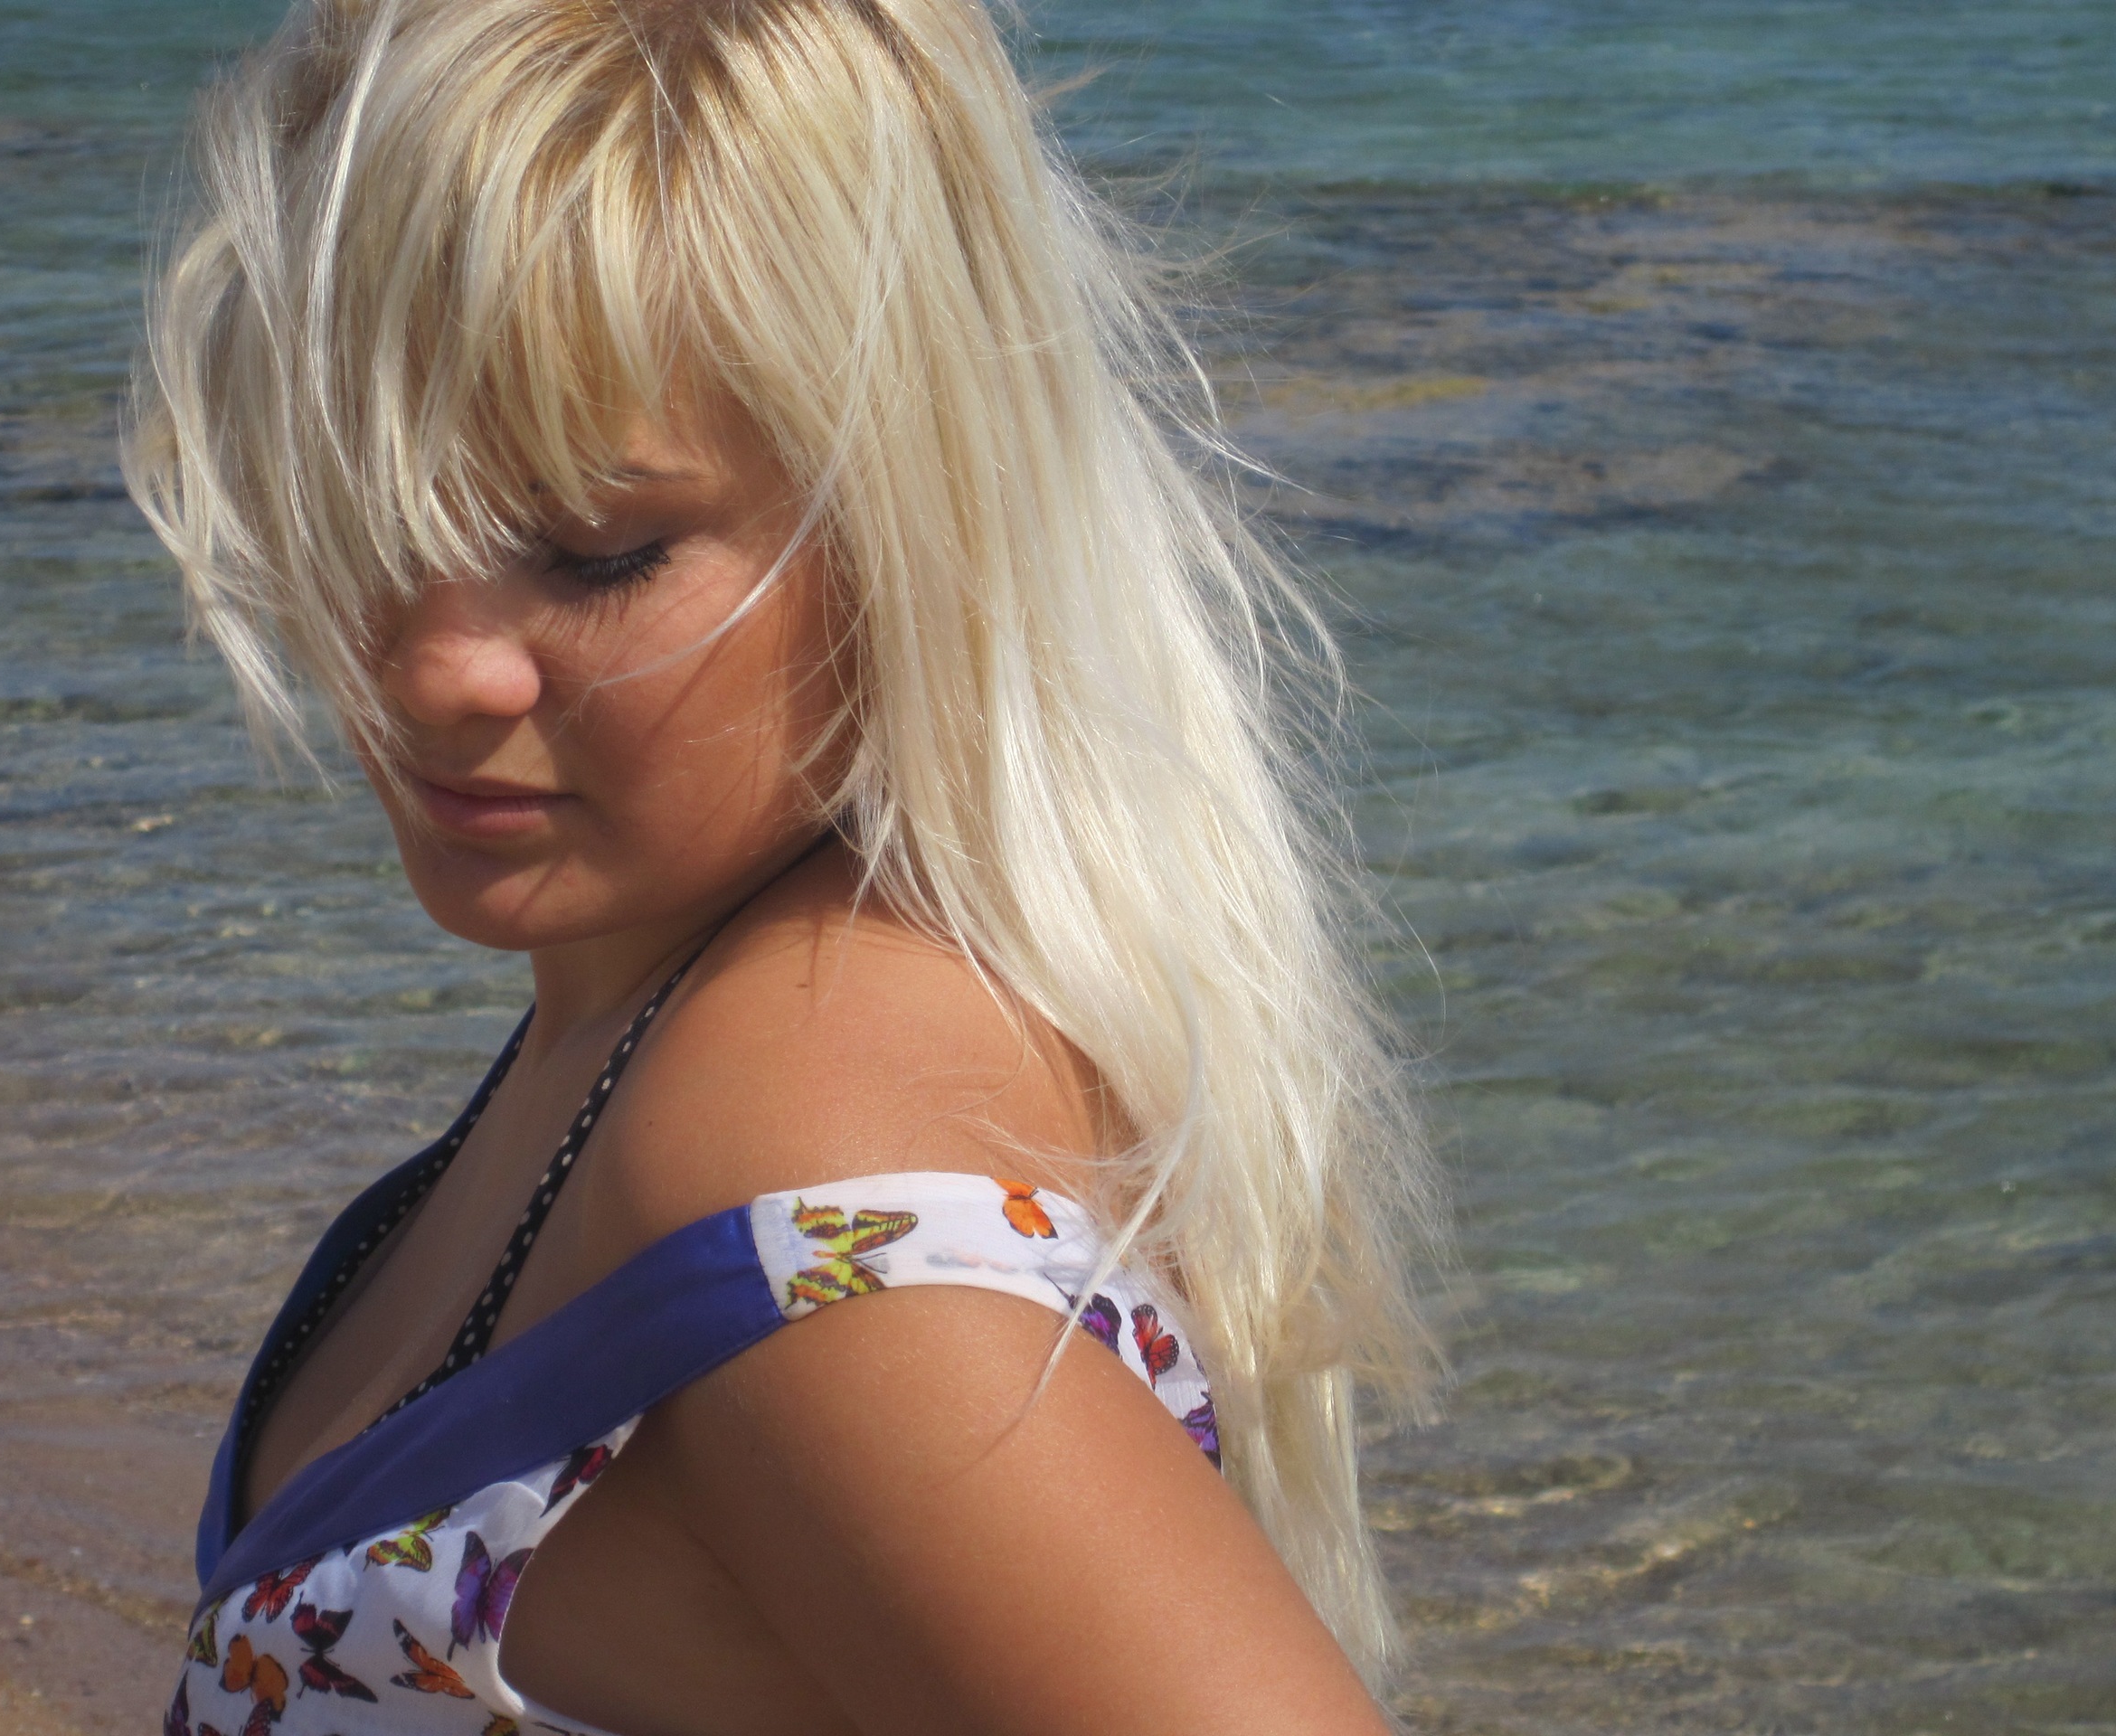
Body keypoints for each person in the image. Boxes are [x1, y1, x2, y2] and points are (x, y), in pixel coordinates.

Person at [124, 0, 1441, 1730]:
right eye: (370, 508)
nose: (435, 669)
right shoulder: (679, 1009)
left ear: (902, 513)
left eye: (595, 552)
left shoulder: (814, 1168)